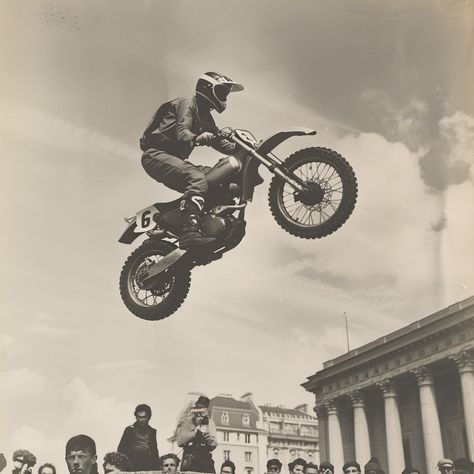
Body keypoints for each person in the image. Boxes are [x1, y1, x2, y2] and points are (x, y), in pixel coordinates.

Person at [140, 71, 244, 249]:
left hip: (174, 159)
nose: (224, 97)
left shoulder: (205, 116)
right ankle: (190, 232)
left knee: (218, 177)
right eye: (221, 92)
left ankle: (203, 225)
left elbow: (220, 143)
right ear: (208, 88)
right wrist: (196, 138)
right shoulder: (188, 104)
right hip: (156, 155)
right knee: (197, 178)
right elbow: (183, 132)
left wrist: (244, 148)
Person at [177, 395, 217, 473]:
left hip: (205, 459)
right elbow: (180, 442)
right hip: (189, 458)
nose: (199, 412)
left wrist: (205, 435)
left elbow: (213, 445)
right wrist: (195, 431)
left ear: (206, 410)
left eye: (202, 409)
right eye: (197, 408)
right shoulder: (187, 423)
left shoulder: (210, 423)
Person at [117, 403, 160, 471]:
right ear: (136, 417)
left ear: (149, 417)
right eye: (139, 417)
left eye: (144, 417)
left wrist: (157, 468)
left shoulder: (152, 431)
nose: (141, 420)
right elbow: (120, 449)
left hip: (148, 464)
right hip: (131, 464)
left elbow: (155, 451)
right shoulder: (129, 430)